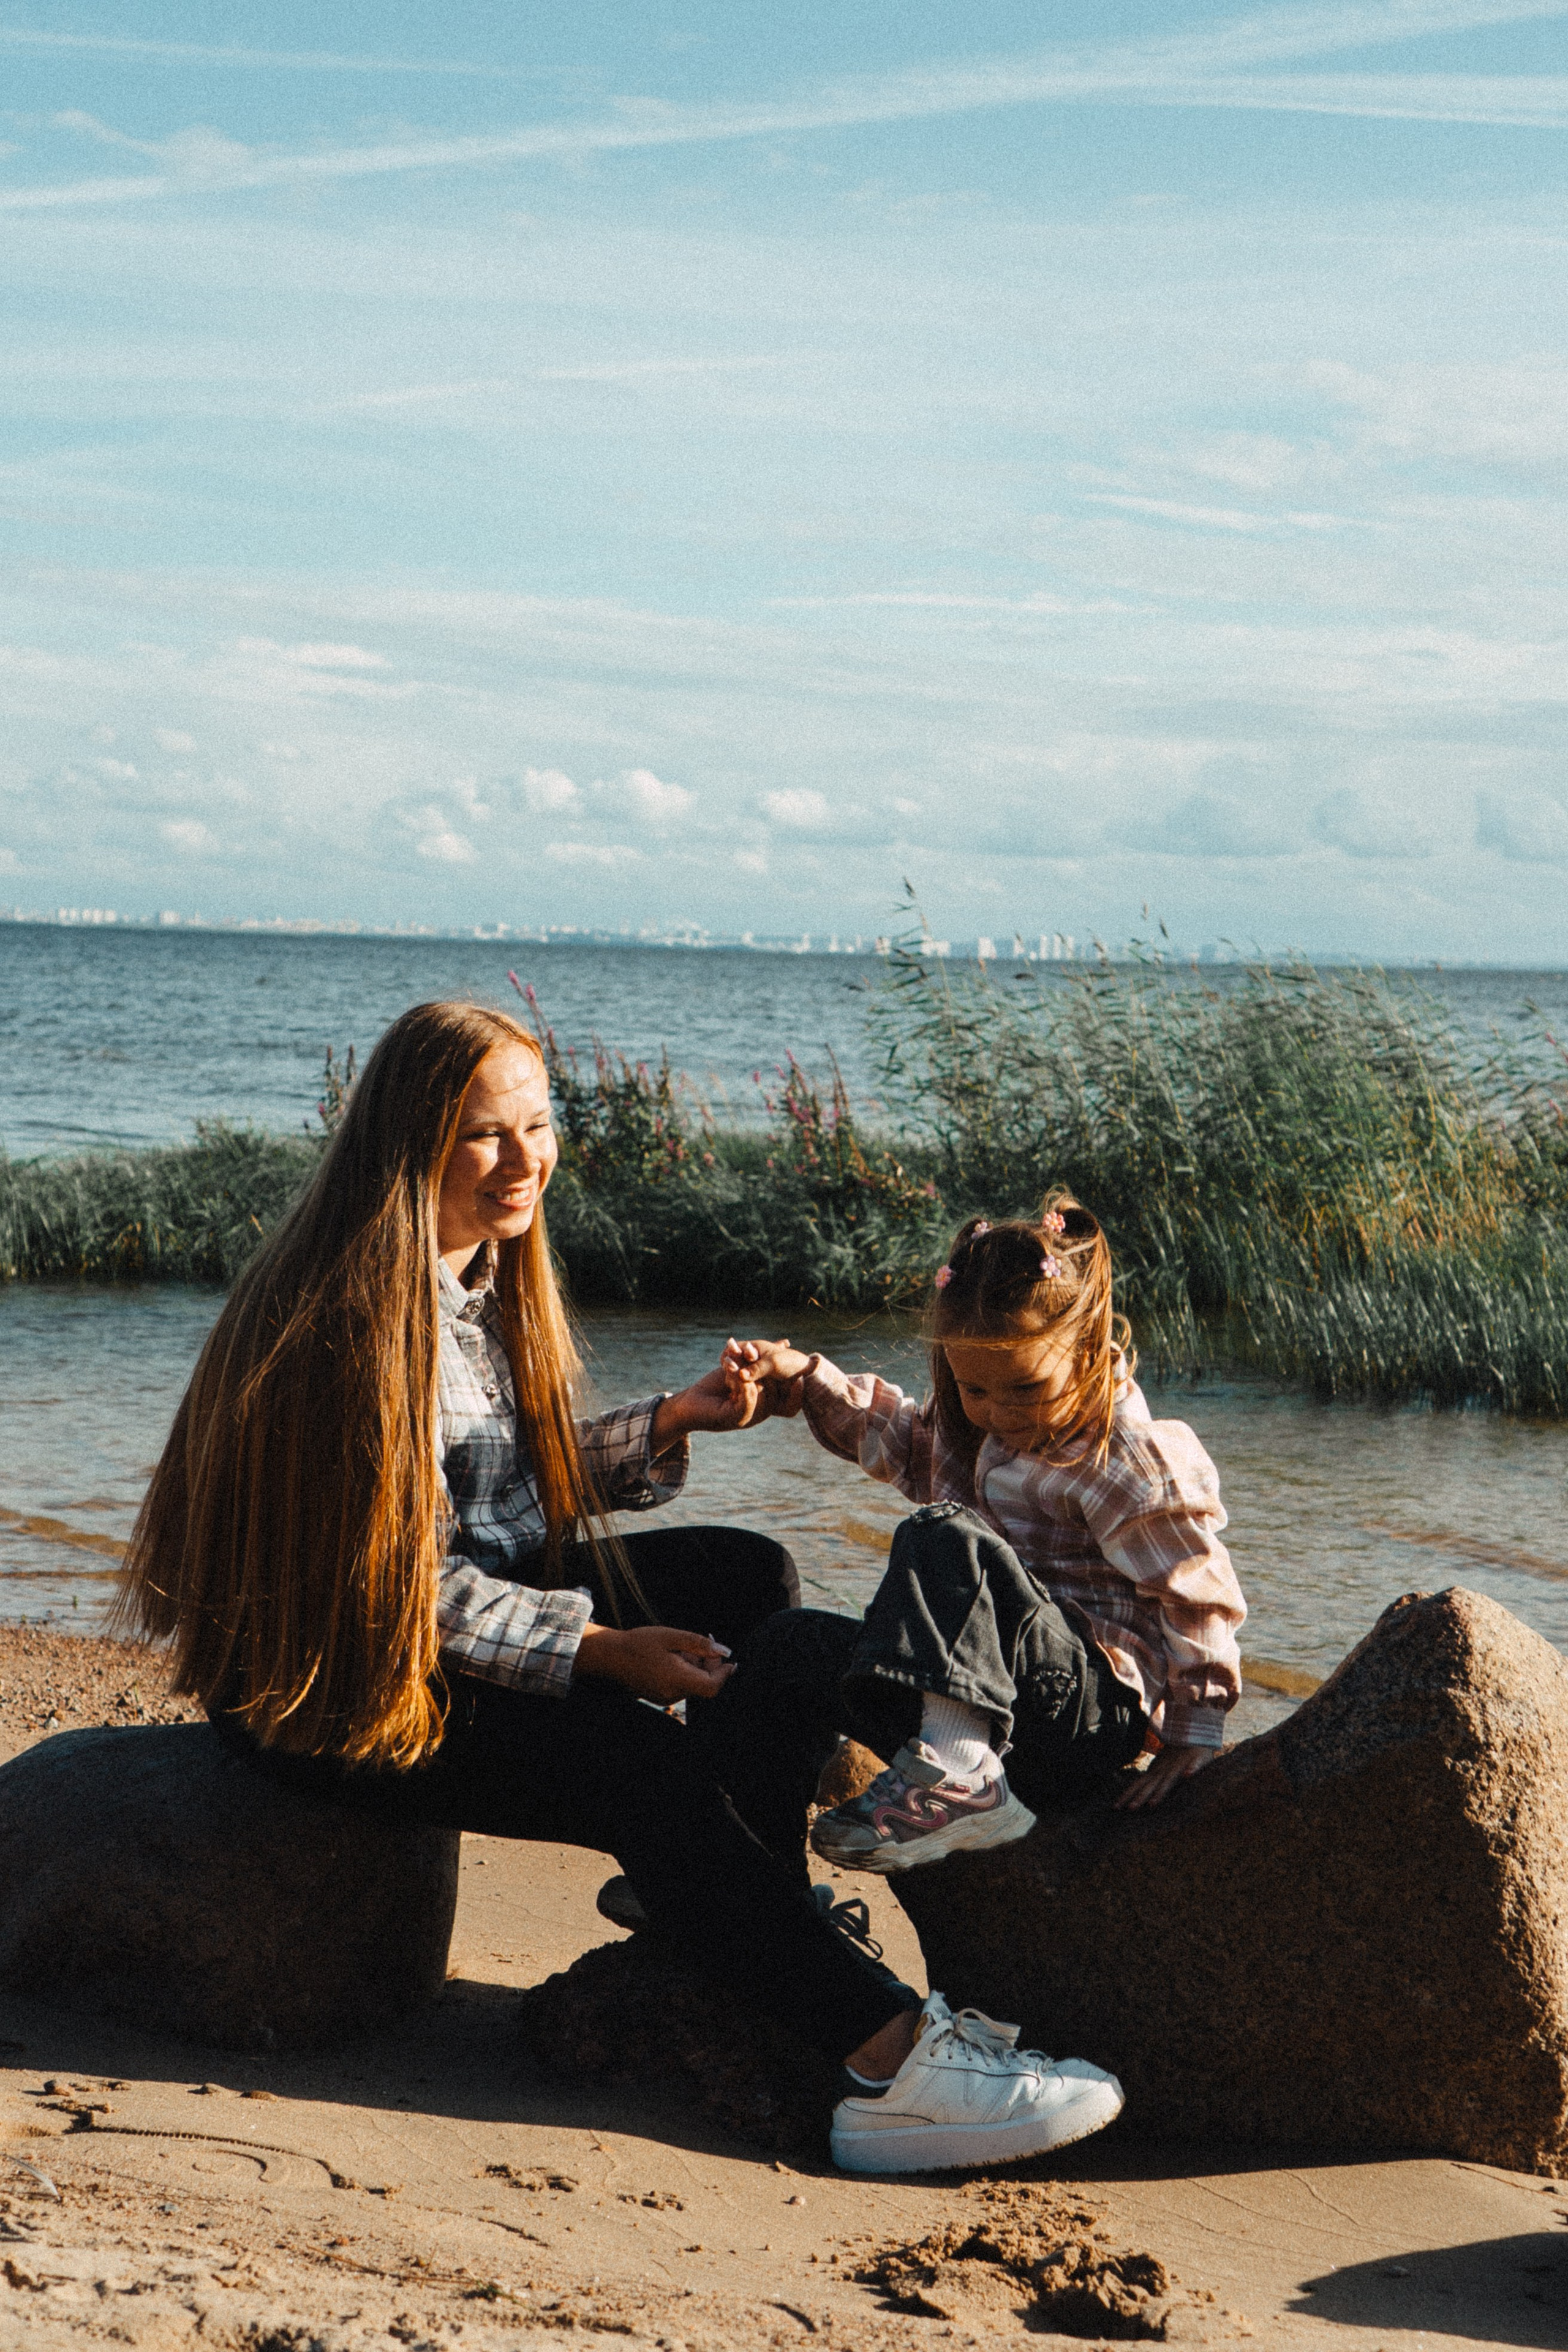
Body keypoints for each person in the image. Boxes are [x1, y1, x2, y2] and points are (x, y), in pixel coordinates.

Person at [116, 1001, 1125, 2176]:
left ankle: (731, 1903)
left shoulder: (472, 1275)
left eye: (538, 1125)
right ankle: (888, 2066)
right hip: (324, 1682)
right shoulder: (351, 1319)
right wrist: (600, 1650)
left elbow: (491, 1490)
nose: (525, 1159)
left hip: (430, 1611)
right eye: (485, 1134)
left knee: (746, 1574)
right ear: (410, 1141)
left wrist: (673, 1420)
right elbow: (395, 1587)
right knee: (640, 1764)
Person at [722, 1193, 1248, 1885]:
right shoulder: (981, 1429)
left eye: (1025, 1389)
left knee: (944, 1533)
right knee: (783, 1645)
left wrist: (1194, 1730)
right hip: (994, 1700)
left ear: (1088, 1350)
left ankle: (961, 1775)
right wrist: (806, 1377)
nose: (999, 1412)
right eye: (976, 1390)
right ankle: (744, 1882)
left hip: (1082, 1712)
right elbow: (905, 1444)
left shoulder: (1125, 1456)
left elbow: (1196, 1593)